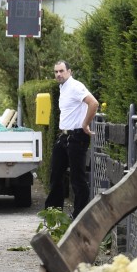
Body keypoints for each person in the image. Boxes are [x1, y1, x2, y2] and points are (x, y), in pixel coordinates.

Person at [45, 60, 99, 218]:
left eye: (61, 71)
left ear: (69, 71)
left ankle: (80, 216)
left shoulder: (75, 86)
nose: (58, 74)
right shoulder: (63, 88)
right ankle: (53, 214)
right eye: (56, 72)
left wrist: (85, 124)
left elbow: (93, 103)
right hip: (64, 136)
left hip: (77, 136)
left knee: (77, 178)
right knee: (55, 175)